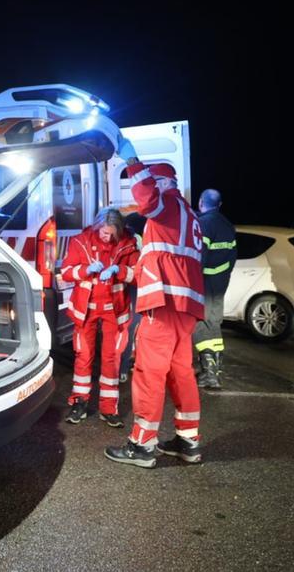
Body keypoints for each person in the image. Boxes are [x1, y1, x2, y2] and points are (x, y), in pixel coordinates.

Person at [105, 151, 206, 469]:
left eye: (152, 181)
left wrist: (133, 162)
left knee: (149, 373)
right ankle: (188, 441)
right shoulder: (188, 215)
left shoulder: (168, 205)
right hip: (184, 307)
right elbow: (161, 260)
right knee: (181, 373)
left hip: (163, 305)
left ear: (163, 183)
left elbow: (148, 200)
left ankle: (142, 446)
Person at [57, 207, 140, 427]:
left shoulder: (128, 244)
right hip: (86, 310)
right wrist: (86, 269)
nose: (107, 237)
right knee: (83, 356)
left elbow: (138, 275)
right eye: (104, 232)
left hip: (115, 310)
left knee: (111, 359)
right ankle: (80, 403)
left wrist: (118, 271)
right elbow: (66, 272)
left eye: (112, 233)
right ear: (97, 226)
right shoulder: (80, 241)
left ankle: (108, 408)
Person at [193, 188, 237, 389]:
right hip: (221, 282)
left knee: (201, 324)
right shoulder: (227, 225)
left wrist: (193, 279)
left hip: (204, 282)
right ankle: (215, 369)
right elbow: (232, 256)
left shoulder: (203, 224)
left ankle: (209, 374)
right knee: (214, 322)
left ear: (201, 202)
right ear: (219, 205)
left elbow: (199, 255)